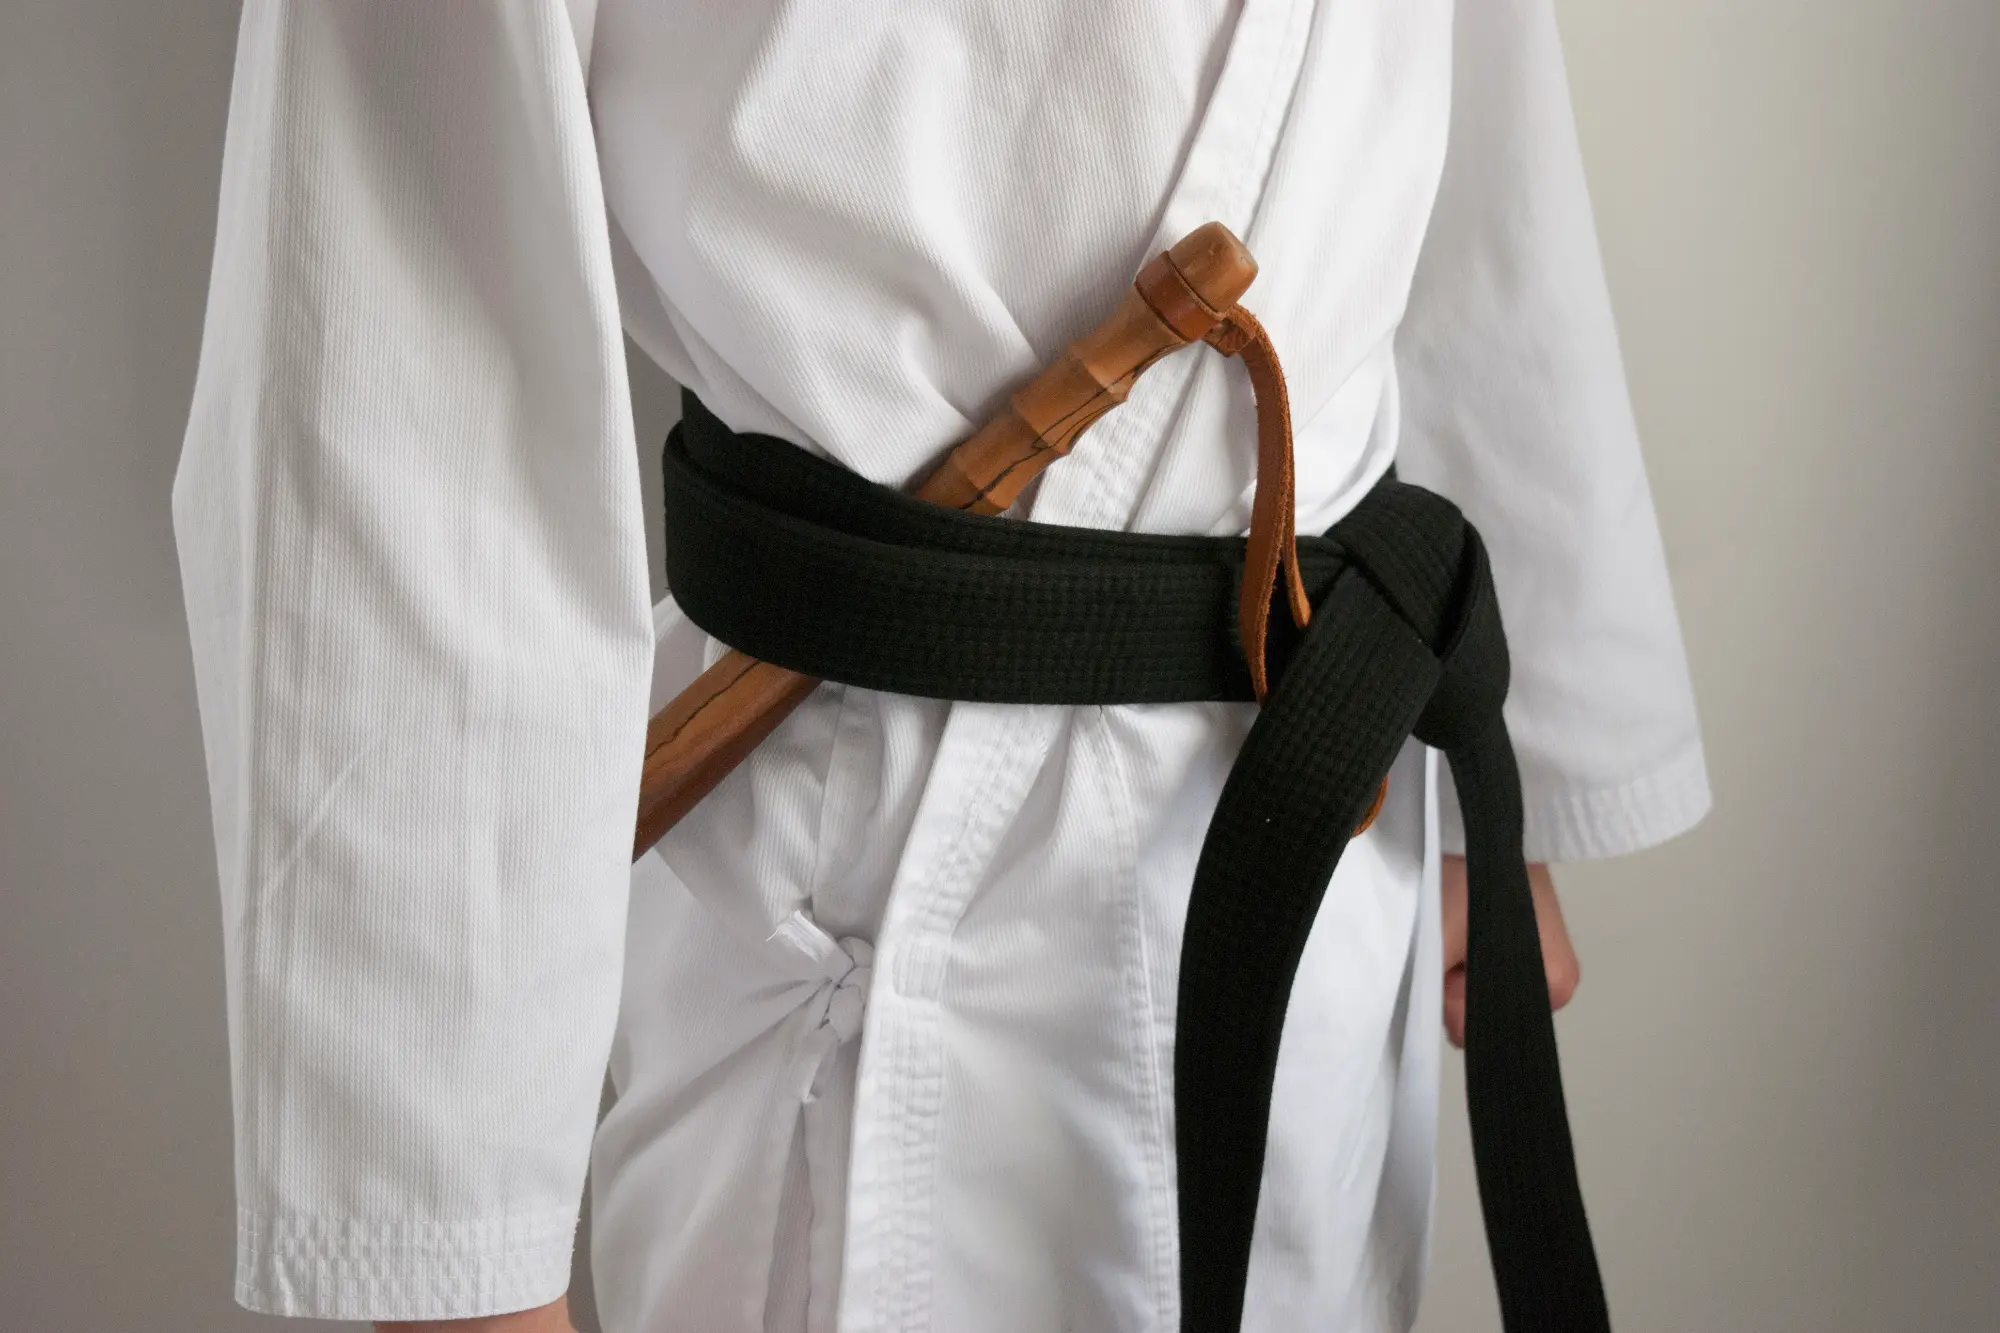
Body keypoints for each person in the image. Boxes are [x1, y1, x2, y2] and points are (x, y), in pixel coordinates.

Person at [172, 3, 1709, 1331]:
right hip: (862, 880)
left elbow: (1463, 119)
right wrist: (450, 1247)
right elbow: (402, 381)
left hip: (1318, 824)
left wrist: (1512, 741)